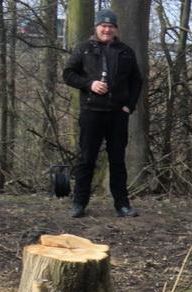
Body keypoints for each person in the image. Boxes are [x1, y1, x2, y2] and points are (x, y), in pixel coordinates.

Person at [62, 9, 143, 218]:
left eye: (110, 26)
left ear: (116, 29)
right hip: (91, 112)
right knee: (86, 159)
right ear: (96, 28)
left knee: (118, 161)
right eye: (103, 26)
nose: (107, 30)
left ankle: (122, 205)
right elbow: (68, 74)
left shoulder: (126, 51)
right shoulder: (84, 49)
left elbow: (137, 81)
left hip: (117, 114)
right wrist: (89, 84)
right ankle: (79, 203)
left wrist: (129, 106)